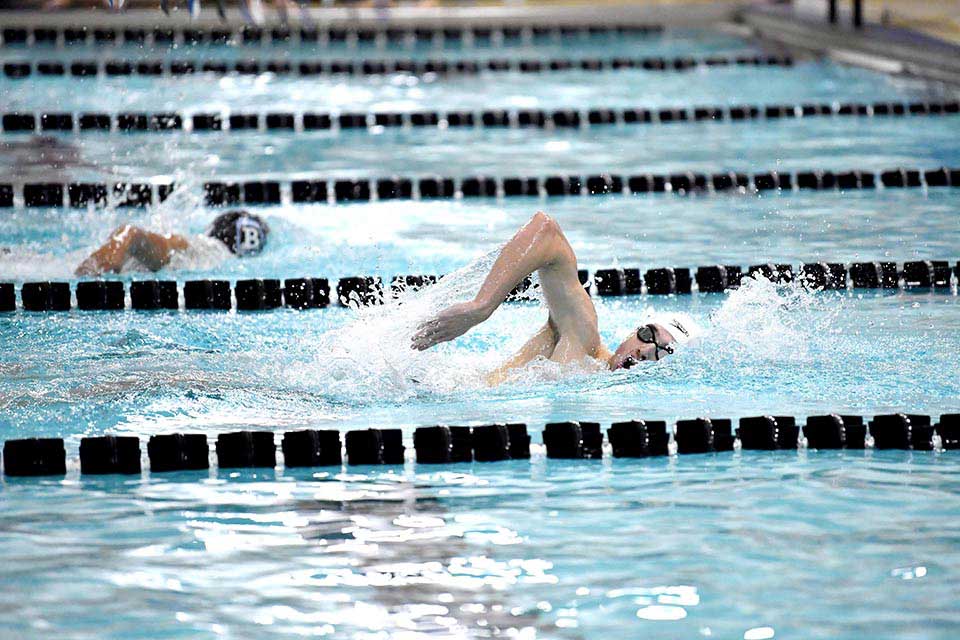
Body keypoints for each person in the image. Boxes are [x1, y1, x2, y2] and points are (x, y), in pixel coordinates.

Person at [412, 212, 699, 383]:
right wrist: (481, 308)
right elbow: (546, 231)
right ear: (631, 331)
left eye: (664, 352)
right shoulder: (583, 336)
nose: (645, 351)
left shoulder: (594, 378)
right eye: (648, 334)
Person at [75, 210, 269, 276]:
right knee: (131, 235)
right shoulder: (208, 250)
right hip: (175, 260)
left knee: (132, 236)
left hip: (176, 259)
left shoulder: (205, 247)